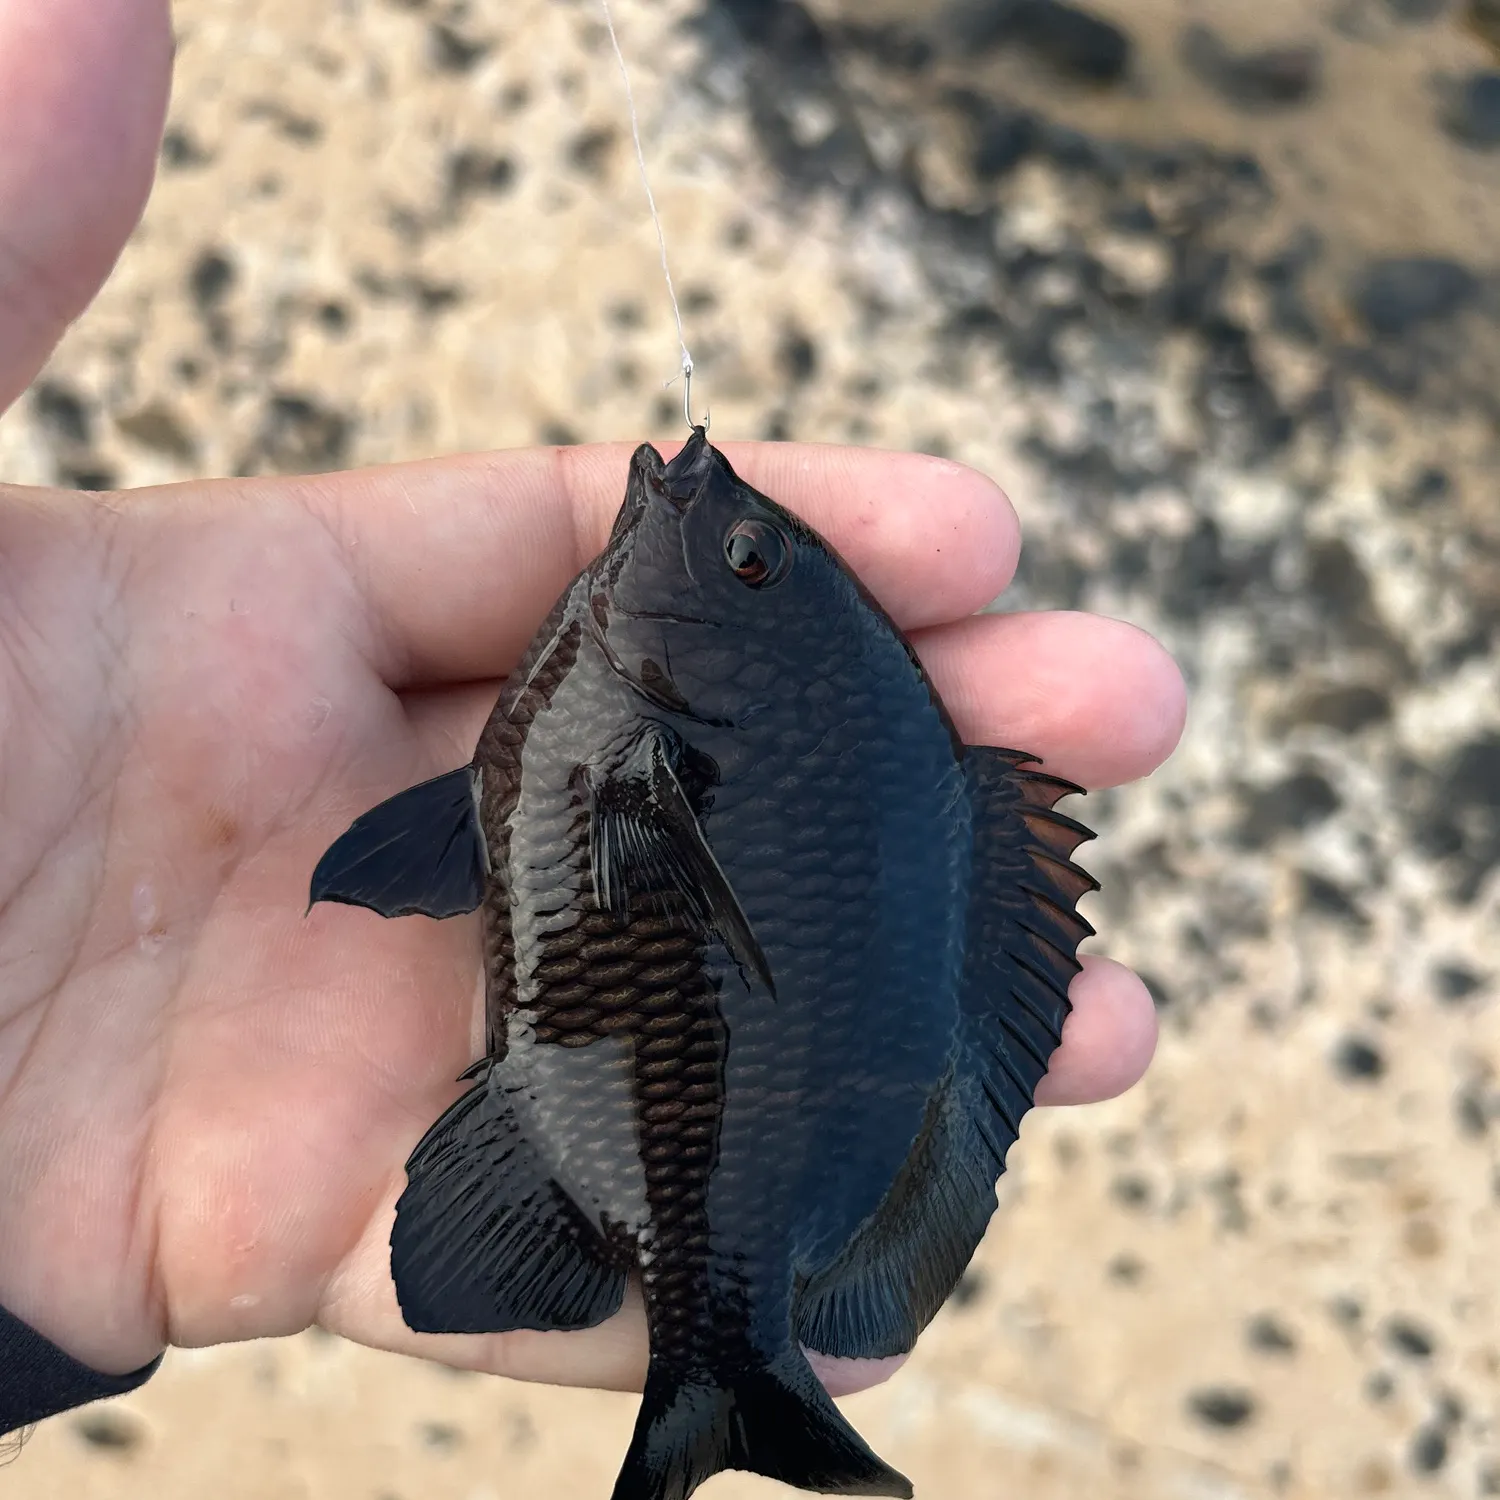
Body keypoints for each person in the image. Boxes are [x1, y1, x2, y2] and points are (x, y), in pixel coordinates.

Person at [0, 0, 1183, 1441]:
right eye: (757, 559)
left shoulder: (655, 725)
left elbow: (471, 843)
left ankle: (723, 1366)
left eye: (748, 563)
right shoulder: (713, 730)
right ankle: (725, 1371)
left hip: (618, 1116)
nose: (703, 501)